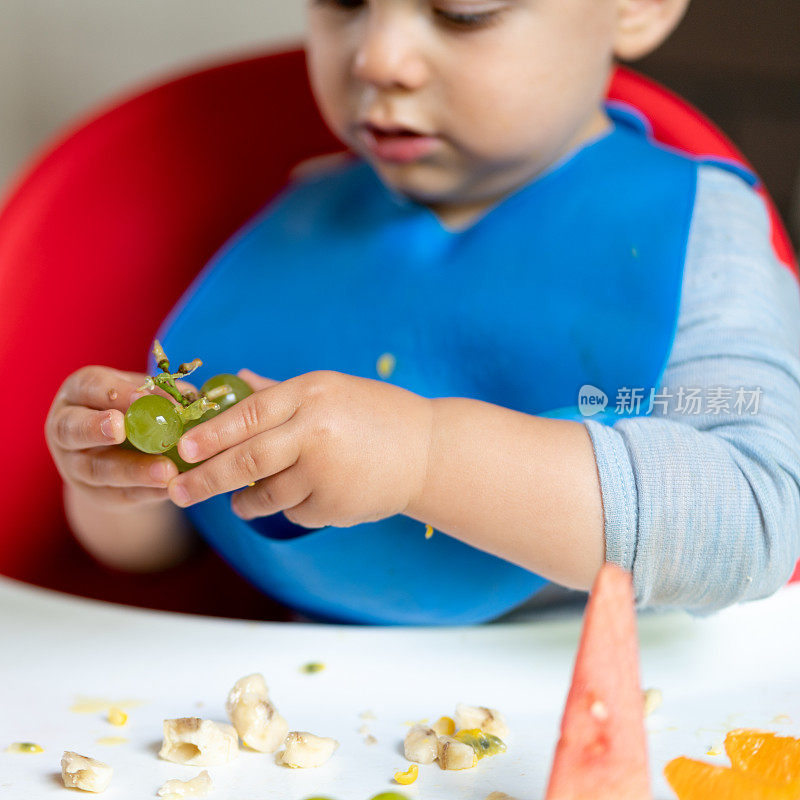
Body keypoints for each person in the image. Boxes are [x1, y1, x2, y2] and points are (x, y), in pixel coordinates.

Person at [45, 0, 800, 622]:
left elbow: (755, 515)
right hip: (288, 715)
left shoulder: (699, 227)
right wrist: (118, 483)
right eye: (343, 2)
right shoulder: (299, 214)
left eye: (462, 12)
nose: (376, 59)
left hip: (571, 715)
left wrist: (424, 457)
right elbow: (168, 544)